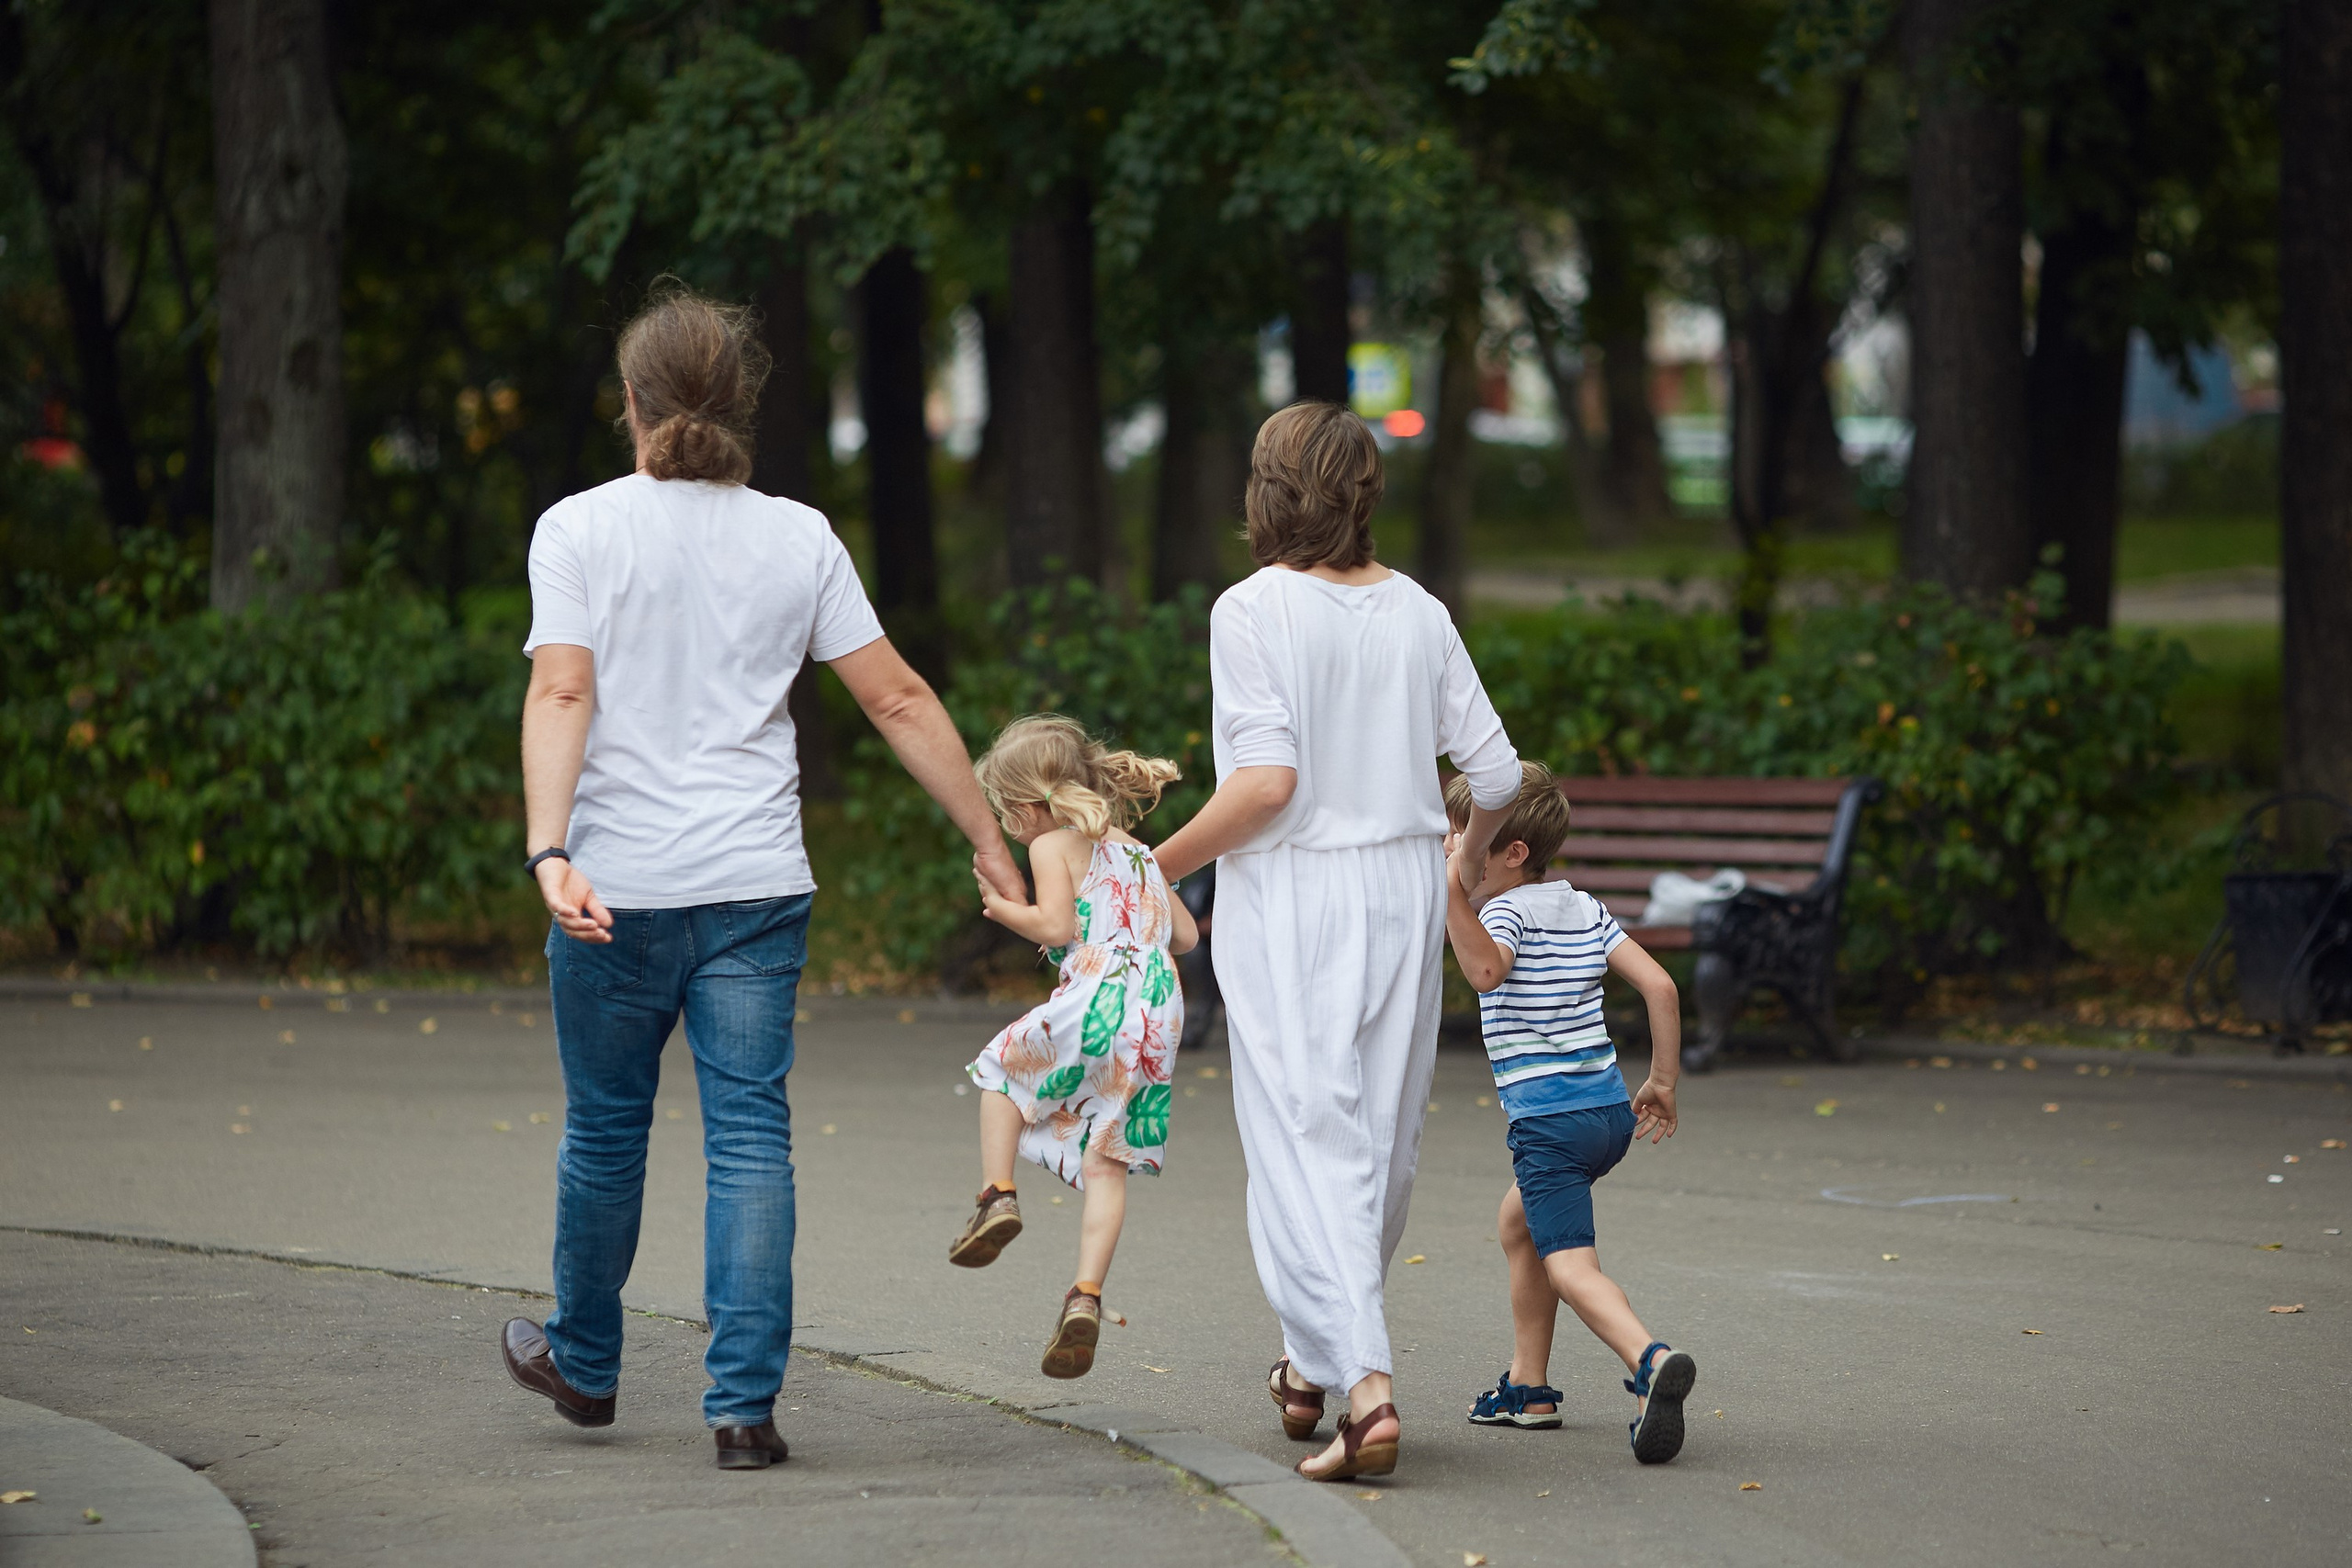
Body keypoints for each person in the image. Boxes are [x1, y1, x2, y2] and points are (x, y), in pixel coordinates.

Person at [501, 285, 1023, 1472]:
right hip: (753, 890)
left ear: (630, 401)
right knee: (750, 1140)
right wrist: (988, 837)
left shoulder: (578, 527)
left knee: (605, 1132)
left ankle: (585, 1364)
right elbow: (896, 695)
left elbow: (562, 690)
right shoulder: (800, 535)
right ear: (744, 403)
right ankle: (743, 1408)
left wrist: (550, 850)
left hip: (614, 889)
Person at [1152, 401, 1523, 1483]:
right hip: (1404, 888)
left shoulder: (1251, 609)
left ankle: (1365, 1390)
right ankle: (1308, 1361)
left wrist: (1149, 865)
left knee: (1303, 1139)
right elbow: (1497, 779)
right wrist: (1462, 863)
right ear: (1367, 492)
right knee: (1378, 1142)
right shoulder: (1418, 610)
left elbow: (1266, 787)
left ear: (1268, 490)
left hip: (1295, 895)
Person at [1439, 763, 1698, 1465]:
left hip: (1550, 1127)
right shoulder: (1582, 905)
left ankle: (1650, 1360)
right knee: (1516, 1222)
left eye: (1465, 834)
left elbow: (1486, 970)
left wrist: (1449, 893)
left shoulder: (1500, 910)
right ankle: (1530, 1388)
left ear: (1512, 851)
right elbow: (1661, 985)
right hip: (1610, 1113)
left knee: (1570, 1264)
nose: (1451, 842)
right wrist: (1663, 1081)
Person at [951, 715, 1199, 1380]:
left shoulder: (1052, 845)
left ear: (1032, 803)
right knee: (1109, 1157)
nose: (1009, 823)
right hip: (1158, 1010)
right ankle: (1084, 1294)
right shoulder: (1140, 851)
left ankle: (996, 1195)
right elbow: (1186, 937)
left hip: (1101, 991)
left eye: (1008, 810)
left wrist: (1006, 912)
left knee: (1001, 1071)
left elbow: (1056, 923)